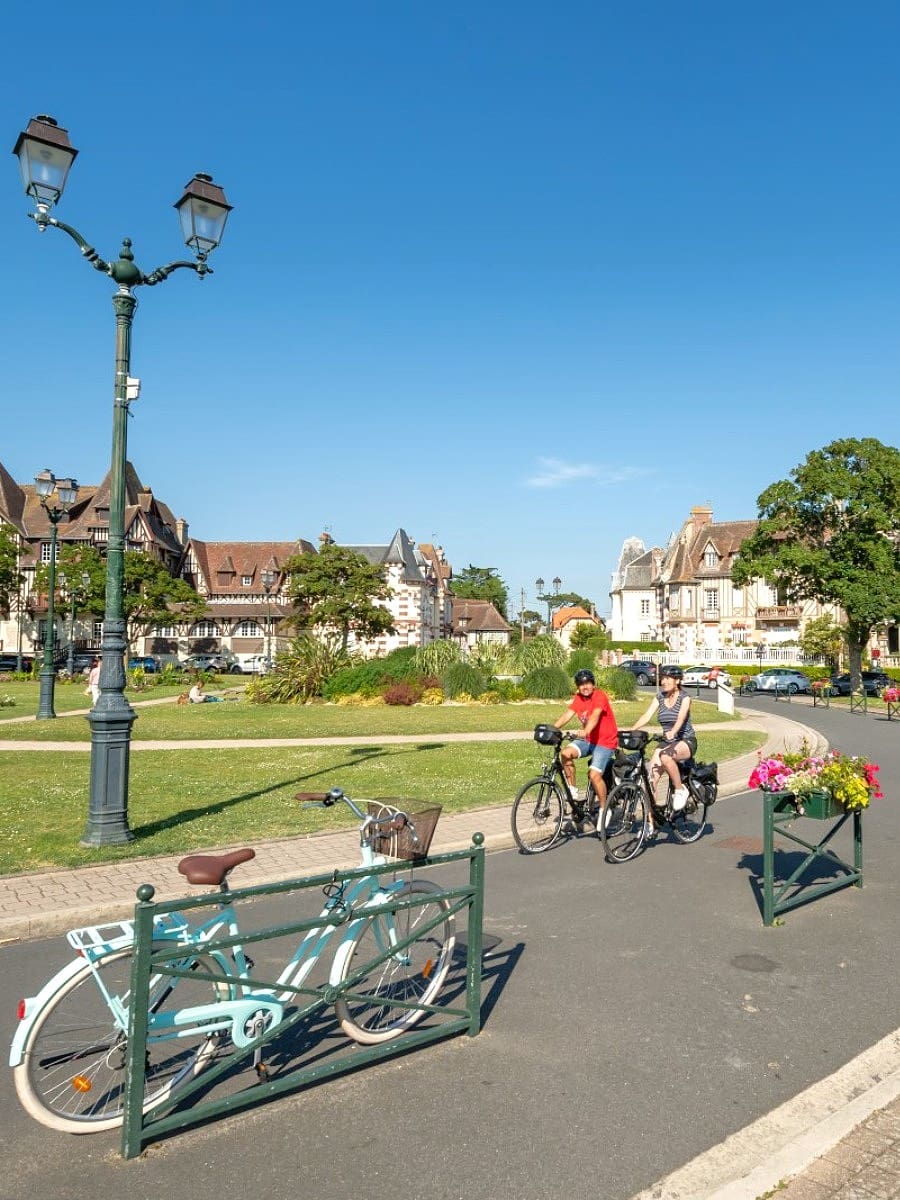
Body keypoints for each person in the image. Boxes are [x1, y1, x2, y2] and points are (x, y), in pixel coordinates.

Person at [629, 664, 697, 824]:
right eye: (662, 678)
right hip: (666, 742)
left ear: (677, 680)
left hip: (685, 741)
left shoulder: (684, 698)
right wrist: (632, 730)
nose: (663, 681)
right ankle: (651, 823)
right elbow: (646, 716)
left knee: (665, 756)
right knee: (650, 780)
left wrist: (673, 731)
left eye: (668, 678)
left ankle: (680, 790)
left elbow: (680, 718)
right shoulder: (660, 696)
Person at [553, 668, 619, 822]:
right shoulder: (579, 699)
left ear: (593, 684)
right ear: (578, 686)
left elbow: (595, 715)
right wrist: (552, 729)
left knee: (594, 775)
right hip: (589, 740)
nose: (585, 687)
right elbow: (567, 715)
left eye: (588, 683)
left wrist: (586, 730)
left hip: (605, 741)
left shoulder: (599, 695)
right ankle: (573, 789)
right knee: (565, 753)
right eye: (581, 684)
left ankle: (604, 808)